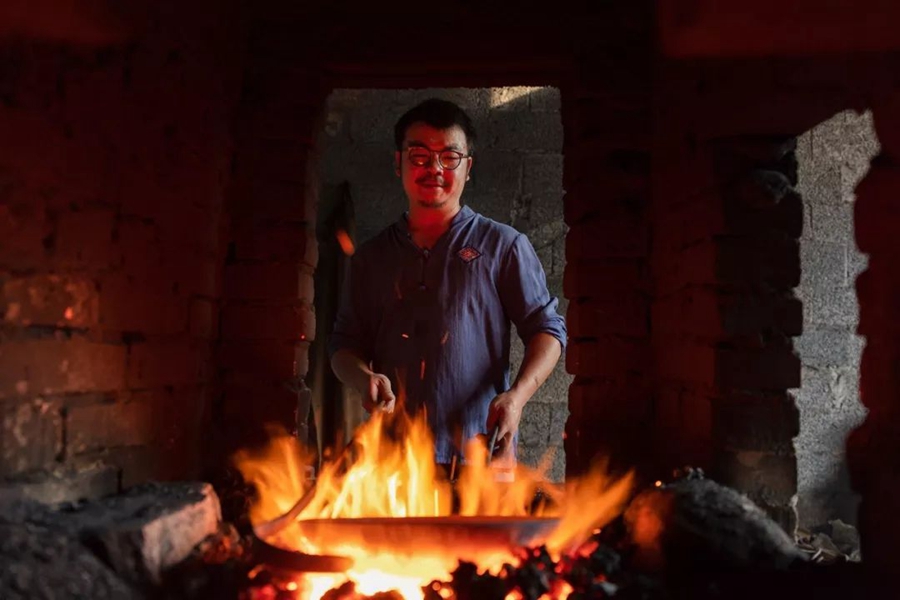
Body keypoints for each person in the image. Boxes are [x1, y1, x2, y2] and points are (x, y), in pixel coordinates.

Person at [328, 97, 566, 469]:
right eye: (420, 156)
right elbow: (344, 346)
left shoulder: (503, 246)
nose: (434, 168)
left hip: (480, 456)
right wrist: (364, 378)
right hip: (392, 466)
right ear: (398, 163)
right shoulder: (372, 258)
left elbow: (548, 331)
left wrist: (517, 398)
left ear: (468, 167)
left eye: (449, 157)